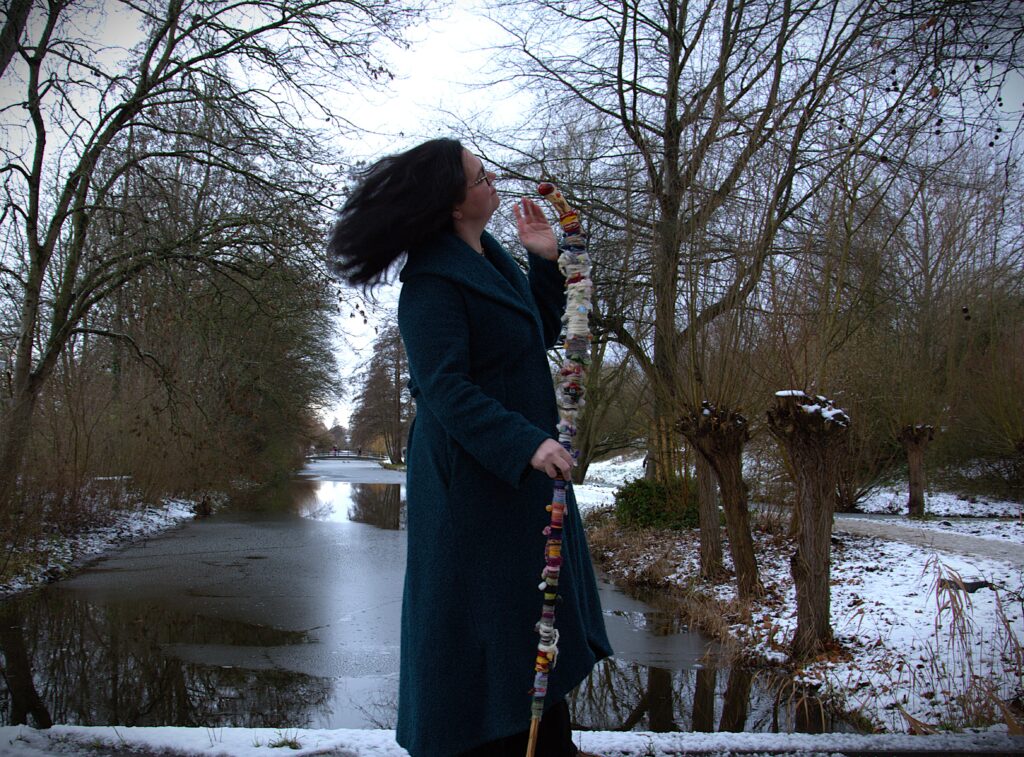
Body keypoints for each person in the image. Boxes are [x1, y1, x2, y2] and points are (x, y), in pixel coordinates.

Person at [327, 138, 611, 756]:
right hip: (473, 486)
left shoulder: (488, 258)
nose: (493, 182)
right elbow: (444, 388)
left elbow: (531, 330)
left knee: (525, 628)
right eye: (480, 177)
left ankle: (543, 743)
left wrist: (543, 261)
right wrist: (526, 442)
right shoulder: (430, 284)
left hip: (514, 478)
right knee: (483, 628)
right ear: (454, 204)